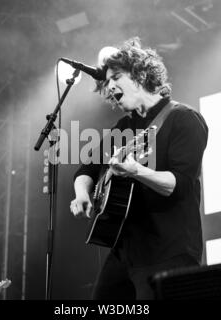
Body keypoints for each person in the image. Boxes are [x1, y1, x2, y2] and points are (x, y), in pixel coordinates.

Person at [70, 37, 209, 299]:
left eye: (116, 78)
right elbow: (85, 171)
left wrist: (135, 170)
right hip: (125, 252)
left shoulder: (183, 119)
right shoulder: (124, 127)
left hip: (169, 251)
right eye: (106, 83)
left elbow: (178, 184)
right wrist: (82, 194)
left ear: (141, 74)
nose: (109, 87)